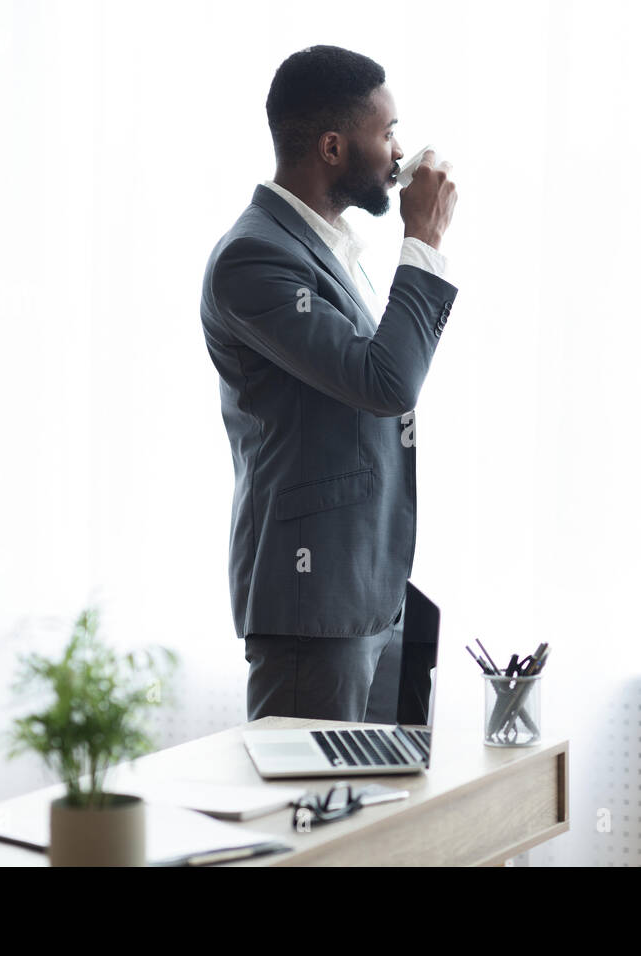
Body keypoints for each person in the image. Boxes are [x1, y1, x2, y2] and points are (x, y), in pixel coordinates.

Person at [198, 45, 458, 721]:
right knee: (306, 823)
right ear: (335, 147)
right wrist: (424, 236)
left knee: (371, 820)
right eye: (387, 131)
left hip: (369, 591)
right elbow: (387, 380)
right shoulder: (255, 259)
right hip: (312, 610)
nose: (399, 152)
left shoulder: (325, 248)